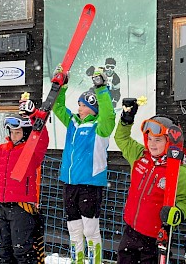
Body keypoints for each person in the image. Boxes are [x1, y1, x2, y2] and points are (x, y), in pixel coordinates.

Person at [114, 98, 186, 264]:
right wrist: (125, 120)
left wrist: (177, 213)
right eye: (149, 139)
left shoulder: (180, 172)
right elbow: (121, 139)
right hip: (130, 232)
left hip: (155, 239)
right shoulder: (139, 155)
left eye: (158, 140)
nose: (152, 144)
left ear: (169, 141)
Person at [52, 67, 115, 264]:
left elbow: (109, 116)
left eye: (82, 104)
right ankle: (76, 261)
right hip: (70, 183)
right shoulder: (72, 122)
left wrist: (101, 89)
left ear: (93, 107)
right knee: (74, 230)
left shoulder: (100, 128)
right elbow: (58, 108)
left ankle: (94, 261)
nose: (78, 108)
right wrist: (61, 86)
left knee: (90, 230)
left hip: (90, 184)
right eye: (78, 104)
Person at [0, 111, 49, 263]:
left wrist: (34, 115)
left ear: (26, 132)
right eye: (12, 132)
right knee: (3, 249)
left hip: (21, 208)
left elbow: (42, 138)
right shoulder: (3, 149)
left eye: (18, 132)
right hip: (2, 206)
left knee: (22, 249)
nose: (14, 136)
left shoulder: (30, 151)